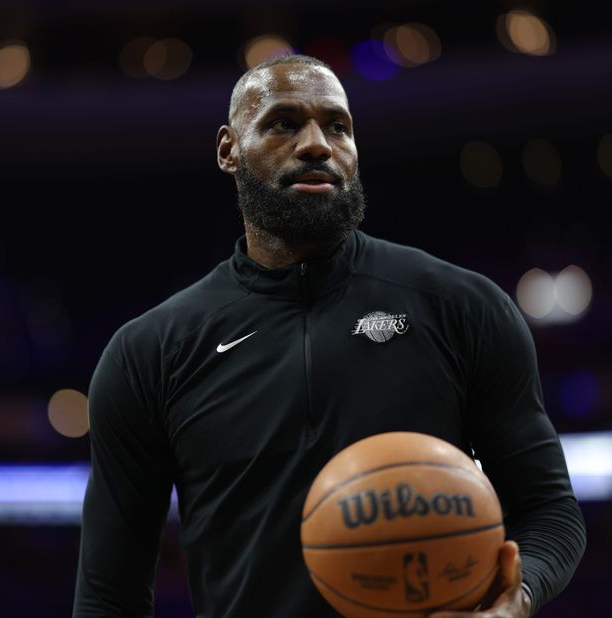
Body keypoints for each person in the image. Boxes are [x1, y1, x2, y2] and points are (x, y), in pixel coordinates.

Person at [73, 54, 586, 617]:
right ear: (229, 150)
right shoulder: (150, 352)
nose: (317, 144)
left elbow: (549, 512)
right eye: (283, 123)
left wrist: (517, 598)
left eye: (337, 125)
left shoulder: (463, 307)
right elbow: (107, 595)